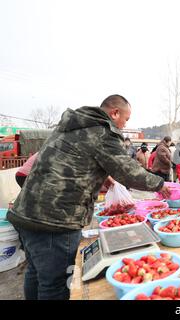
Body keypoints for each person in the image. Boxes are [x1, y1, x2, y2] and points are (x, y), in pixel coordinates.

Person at [6, 95, 170, 300]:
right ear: (115, 113)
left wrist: (104, 180)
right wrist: (160, 184)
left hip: (26, 211)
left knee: (35, 273)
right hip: (55, 219)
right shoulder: (103, 131)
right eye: (125, 119)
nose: (125, 124)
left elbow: (74, 164)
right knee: (54, 284)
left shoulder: (73, 125)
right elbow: (128, 172)